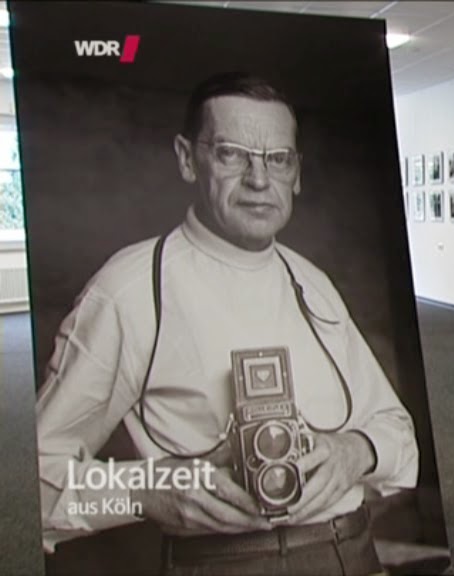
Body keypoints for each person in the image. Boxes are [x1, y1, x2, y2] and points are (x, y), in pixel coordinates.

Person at [34, 72, 418, 575]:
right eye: (231, 153)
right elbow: (33, 483)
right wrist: (144, 492)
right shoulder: (128, 289)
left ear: (296, 173)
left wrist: (356, 450)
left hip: (350, 552)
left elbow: (396, 431)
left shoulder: (313, 281)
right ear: (186, 158)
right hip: (221, 562)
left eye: (277, 159)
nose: (259, 180)